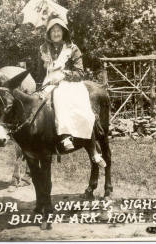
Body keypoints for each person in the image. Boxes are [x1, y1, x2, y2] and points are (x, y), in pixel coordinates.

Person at [37, 14, 105, 167]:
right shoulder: (43, 49)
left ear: (64, 32)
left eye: (58, 30)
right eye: (52, 30)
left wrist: (63, 74)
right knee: (41, 102)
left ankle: (80, 141)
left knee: (71, 101)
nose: (55, 33)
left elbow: (80, 73)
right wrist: (43, 66)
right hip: (49, 82)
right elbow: (39, 73)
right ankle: (47, 139)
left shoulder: (72, 49)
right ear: (48, 33)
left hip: (70, 82)